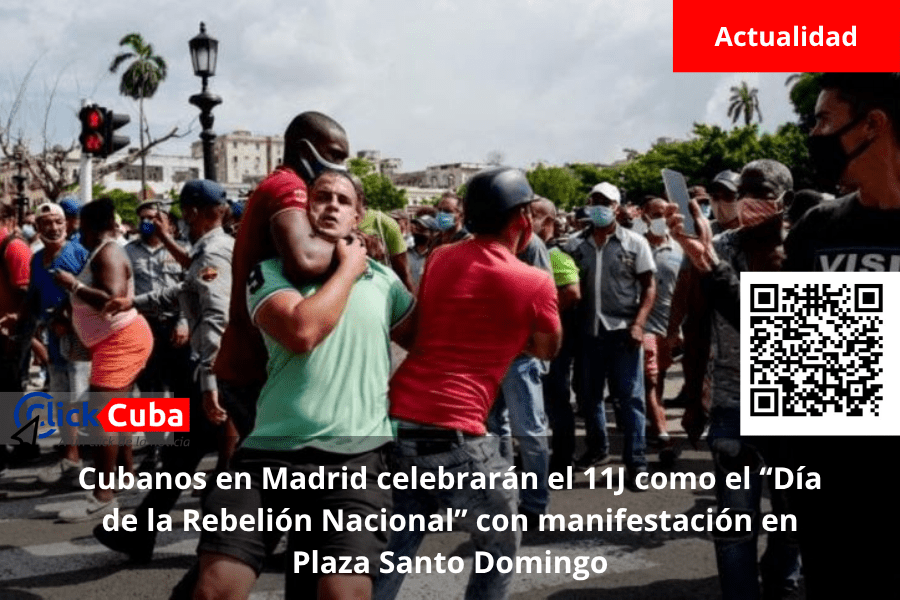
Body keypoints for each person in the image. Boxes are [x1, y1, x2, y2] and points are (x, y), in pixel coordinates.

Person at [192, 170, 414, 600]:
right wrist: (349, 267)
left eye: (343, 200)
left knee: (341, 594)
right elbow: (302, 330)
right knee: (216, 589)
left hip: (356, 462)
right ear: (305, 210)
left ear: (358, 216)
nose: (331, 205)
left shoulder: (385, 282)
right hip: (269, 457)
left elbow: (424, 340)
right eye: (321, 197)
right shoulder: (269, 273)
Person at [375, 167, 561, 600]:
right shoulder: (534, 282)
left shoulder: (442, 257)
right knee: (499, 551)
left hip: (401, 423)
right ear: (524, 219)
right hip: (460, 437)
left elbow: (434, 318)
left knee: (393, 555)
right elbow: (547, 347)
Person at [783, 72, 900, 598]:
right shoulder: (820, 229)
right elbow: (808, 383)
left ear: (873, 125)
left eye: (825, 119)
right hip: (834, 502)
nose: (814, 135)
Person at [94, 180, 235, 562]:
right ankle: (143, 533)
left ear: (193, 213)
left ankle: (242, 544)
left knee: (225, 458)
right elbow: (182, 292)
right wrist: (132, 302)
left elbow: (216, 317)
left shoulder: (213, 255)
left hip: (216, 374)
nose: (182, 219)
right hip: (215, 372)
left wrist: (208, 378)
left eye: (184, 212)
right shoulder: (208, 251)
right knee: (186, 456)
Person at [213, 111, 350, 446]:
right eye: (334, 155)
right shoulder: (288, 185)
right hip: (256, 369)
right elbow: (305, 259)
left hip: (258, 366)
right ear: (305, 150)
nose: (340, 167)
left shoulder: (286, 186)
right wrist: (349, 247)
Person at [53, 197, 153, 522]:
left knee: (104, 418)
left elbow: (113, 300)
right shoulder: (99, 250)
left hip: (121, 339)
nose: (76, 233)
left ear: (91, 226)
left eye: (80, 226)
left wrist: (74, 286)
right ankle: (126, 474)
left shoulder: (109, 251)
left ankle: (102, 496)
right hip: (114, 340)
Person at [566, 182, 656, 488]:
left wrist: (639, 324)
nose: (600, 207)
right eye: (595, 201)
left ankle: (637, 462)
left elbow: (649, 286)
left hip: (623, 334)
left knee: (630, 399)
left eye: (606, 202)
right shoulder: (575, 245)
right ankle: (598, 449)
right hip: (588, 333)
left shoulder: (635, 243)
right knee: (588, 397)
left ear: (618, 207)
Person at [487, 194, 553, 523]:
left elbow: (543, 301)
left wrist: (527, 344)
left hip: (519, 358)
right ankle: (503, 497)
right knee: (492, 430)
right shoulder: (484, 242)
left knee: (529, 432)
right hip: (488, 358)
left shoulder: (533, 246)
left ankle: (535, 502)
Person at [18, 203, 92, 485]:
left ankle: (108, 467)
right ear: (37, 227)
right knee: (61, 399)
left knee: (85, 400)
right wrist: (23, 324)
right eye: (46, 223)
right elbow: (33, 296)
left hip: (82, 338)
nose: (53, 228)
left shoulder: (78, 254)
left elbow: (93, 293)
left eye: (57, 222)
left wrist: (69, 318)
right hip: (54, 338)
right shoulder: (37, 259)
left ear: (66, 223)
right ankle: (70, 460)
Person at [125, 201, 192, 471]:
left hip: (175, 325)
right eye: (143, 218)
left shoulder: (181, 250)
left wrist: (184, 322)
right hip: (144, 326)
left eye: (153, 218)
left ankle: (179, 449)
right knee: (151, 391)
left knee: (179, 390)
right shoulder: (127, 252)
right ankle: (155, 450)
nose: (148, 222)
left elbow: (190, 290)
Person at [531, 198, 582, 475]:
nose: (528, 219)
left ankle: (563, 462)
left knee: (557, 401)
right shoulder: (528, 253)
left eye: (535, 215)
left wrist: (544, 314)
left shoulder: (557, 255)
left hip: (554, 341)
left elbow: (572, 292)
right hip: (535, 342)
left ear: (549, 221)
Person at [640, 197, 688, 450]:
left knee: (659, 379)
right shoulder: (636, 247)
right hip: (643, 327)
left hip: (669, 328)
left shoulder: (679, 251)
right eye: (654, 214)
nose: (659, 219)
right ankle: (662, 433)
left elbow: (684, 293)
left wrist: (678, 329)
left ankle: (652, 421)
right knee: (651, 379)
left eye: (663, 214)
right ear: (644, 216)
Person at [406, 214, 438, 291]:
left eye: (422, 229)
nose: (417, 232)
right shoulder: (405, 254)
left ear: (432, 234)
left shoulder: (436, 257)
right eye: (416, 228)